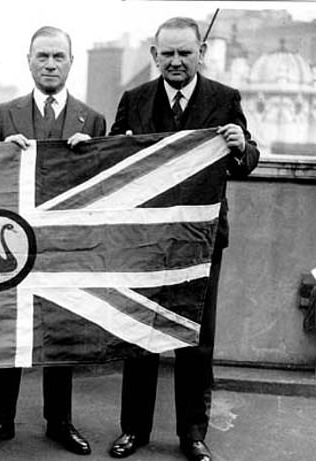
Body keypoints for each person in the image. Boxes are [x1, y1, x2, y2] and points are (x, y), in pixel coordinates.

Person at [107, 17, 259, 461]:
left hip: (202, 239)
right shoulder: (134, 100)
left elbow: (245, 162)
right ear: (154, 55)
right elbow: (113, 159)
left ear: (202, 52)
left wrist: (238, 144)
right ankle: (133, 430)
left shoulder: (224, 98)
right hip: (145, 241)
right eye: (167, 53)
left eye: (184, 53)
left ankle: (193, 434)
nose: (175, 61)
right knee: (139, 334)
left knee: (196, 339)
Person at [0, 26, 106, 455]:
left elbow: (102, 190)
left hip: (62, 244)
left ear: (70, 62)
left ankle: (59, 422)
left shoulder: (92, 119)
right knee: (6, 327)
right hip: (14, 241)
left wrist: (90, 156)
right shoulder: (2, 116)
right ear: (28, 61)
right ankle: (0, 421)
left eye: (58, 57)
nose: (50, 64)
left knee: (60, 331)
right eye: (42, 57)